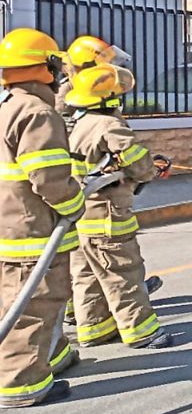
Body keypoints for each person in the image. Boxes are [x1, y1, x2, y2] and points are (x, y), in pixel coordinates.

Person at [0, 28, 86, 407]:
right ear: (45, 67)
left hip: (10, 226)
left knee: (34, 299)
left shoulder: (6, 106)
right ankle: (21, 384)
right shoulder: (37, 113)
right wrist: (74, 203)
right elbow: (49, 179)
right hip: (32, 230)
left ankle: (52, 355)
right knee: (33, 305)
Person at [65, 64, 172, 350]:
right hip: (108, 215)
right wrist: (150, 169)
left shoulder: (81, 124)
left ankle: (94, 329)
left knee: (86, 275)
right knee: (123, 272)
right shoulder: (108, 124)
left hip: (81, 215)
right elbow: (135, 160)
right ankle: (141, 332)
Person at [55, 35, 131, 119]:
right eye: (103, 67)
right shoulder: (65, 95)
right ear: (85, 67)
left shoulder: (99, 90)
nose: (107, 73)